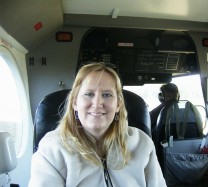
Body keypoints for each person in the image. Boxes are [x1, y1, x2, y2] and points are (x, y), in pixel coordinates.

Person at [28, 62, 167, 187]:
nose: (97, 104)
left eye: (107, 95)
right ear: (75, 102)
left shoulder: (142, 143)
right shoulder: (52, 149)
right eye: (89, 94)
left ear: (118, 104)